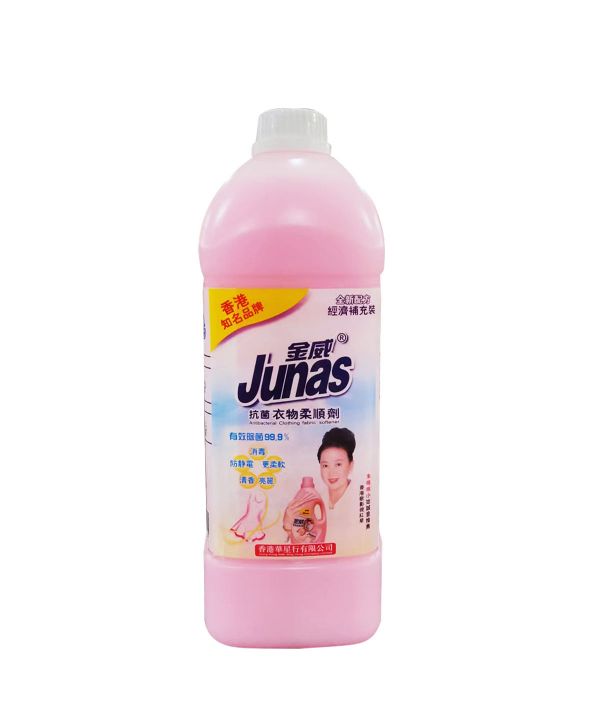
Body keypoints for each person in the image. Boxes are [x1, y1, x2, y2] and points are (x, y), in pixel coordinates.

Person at [317, 427, 355, 509]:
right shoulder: (317, 501)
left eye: (338, 464)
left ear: (351, 465)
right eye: (325, 465)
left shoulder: (358, 499)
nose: (331, 473)